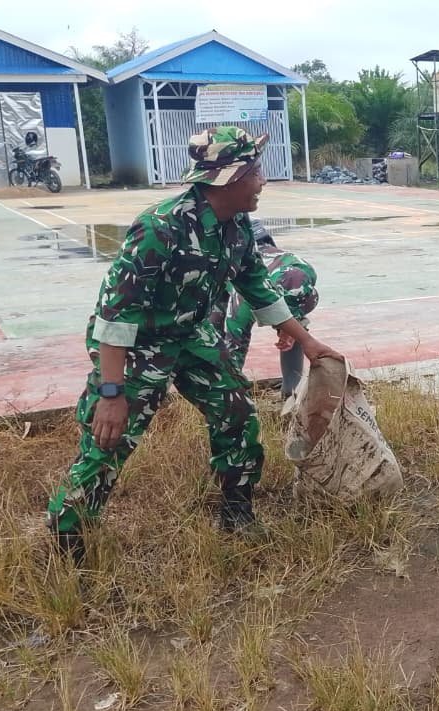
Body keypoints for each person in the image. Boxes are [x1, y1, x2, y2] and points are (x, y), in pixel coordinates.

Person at [46, 127, 342, 564]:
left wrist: (310, 342)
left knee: (238, 411)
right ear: (232, 177)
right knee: (110, 438)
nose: (263, 182)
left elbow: (257, 287)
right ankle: (66, 543)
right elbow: (115, 317)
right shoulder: (158, 229)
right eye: (256, 172)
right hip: (137, 347)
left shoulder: (236, 225)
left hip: (192, 335)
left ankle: (236, 514)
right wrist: (111, 394)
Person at [209, 220, 319, 399]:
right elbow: (232, 345)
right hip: (228, 282)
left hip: (249, 274)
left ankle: (291, 391)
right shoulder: (245, 291)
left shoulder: (300, 276)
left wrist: (290, 328)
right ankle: (222, 396)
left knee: (293, 327)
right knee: (215, 337)